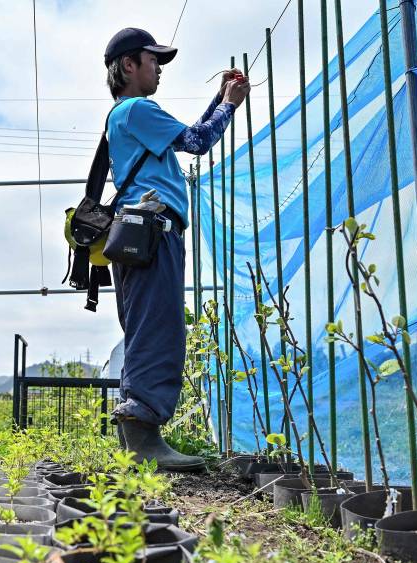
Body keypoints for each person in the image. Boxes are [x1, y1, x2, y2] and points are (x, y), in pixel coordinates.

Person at [104, 27, 250, 471]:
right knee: (158, 326)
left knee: (148, 324)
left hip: (141, 232)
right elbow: (199, 142)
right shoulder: (136, 108)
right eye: (153, 62)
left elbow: (189, 136)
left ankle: (141, 433)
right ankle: (143, 436)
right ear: (129, 65)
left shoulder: (130, 115)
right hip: (153, 229)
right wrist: (228, 105)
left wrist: (221, 99)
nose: (159, 71)